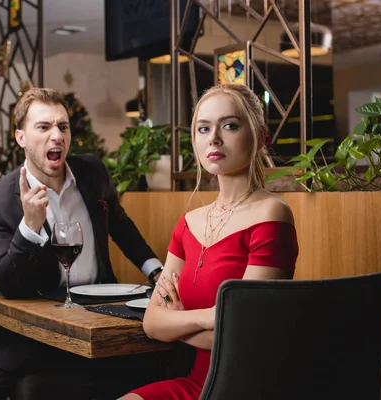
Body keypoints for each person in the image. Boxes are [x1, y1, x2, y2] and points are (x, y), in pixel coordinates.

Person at [0, 88, 163, 399]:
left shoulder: (93, 171)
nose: (57, 136)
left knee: (165, 362)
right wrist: (30, 225)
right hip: (28, 331)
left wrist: (156, 271)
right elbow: (8, 283)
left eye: (62, 126)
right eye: (43, 127)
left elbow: (120, 226)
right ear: (21, 137)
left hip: (99, 315)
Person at [121, 83, 299, 400]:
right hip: (197, 384)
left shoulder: (272, 214)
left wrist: (177, 323)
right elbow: (152, 323)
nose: (213, 138)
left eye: (229, 125)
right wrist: (209, 317)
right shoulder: (188, 223)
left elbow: (244, 337)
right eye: (204, 128)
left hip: (246, 389)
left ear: (260, 137)